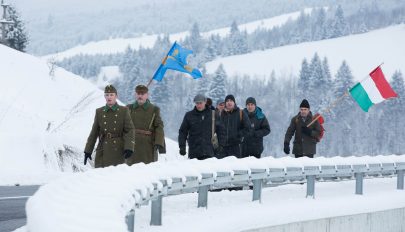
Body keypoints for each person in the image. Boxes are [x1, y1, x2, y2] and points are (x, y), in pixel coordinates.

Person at [84, 84, 135, 168]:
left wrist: (129, 147)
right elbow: (94, 132)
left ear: (116, 96)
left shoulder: (124, 111)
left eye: (111, 95)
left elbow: (130, 130)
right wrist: (88, 150)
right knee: (99, 176)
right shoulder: (99, 111)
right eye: (107, 95)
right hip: (103, 149)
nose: (109, 97)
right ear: (104, 96)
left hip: (118, 150)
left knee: (115, 177)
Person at [126, 85, 165, 165]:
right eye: (138, 93)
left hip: (147, 146)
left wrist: (159, 142)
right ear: (135, 94)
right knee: (130, 172)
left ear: (147, 95)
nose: (140, 96)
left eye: (142, 94)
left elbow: (159, 126)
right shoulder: (128, 108)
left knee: (148, 171)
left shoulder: (154, 109)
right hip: (131, 145)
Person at [178, 94, 225, 160]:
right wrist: (182, 146)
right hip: (194, 152)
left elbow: (221, 131)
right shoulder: (189, 115)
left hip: (209, 151)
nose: (199, 105)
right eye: (197, 103)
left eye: (200, 103)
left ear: (205, 102)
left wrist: (221, 145)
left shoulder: (213, 114)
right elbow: (183, 131)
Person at [218, 94, 252, 158]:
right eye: (227, 101)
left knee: (235, 167)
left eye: (231, 100)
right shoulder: (221, 114)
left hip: (235, 147)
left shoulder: (240, 112)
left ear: (234, 102)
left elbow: (248, 128)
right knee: (222, 167)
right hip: (222, 148)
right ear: (225, 103)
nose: (229, 102)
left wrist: (239, 134)